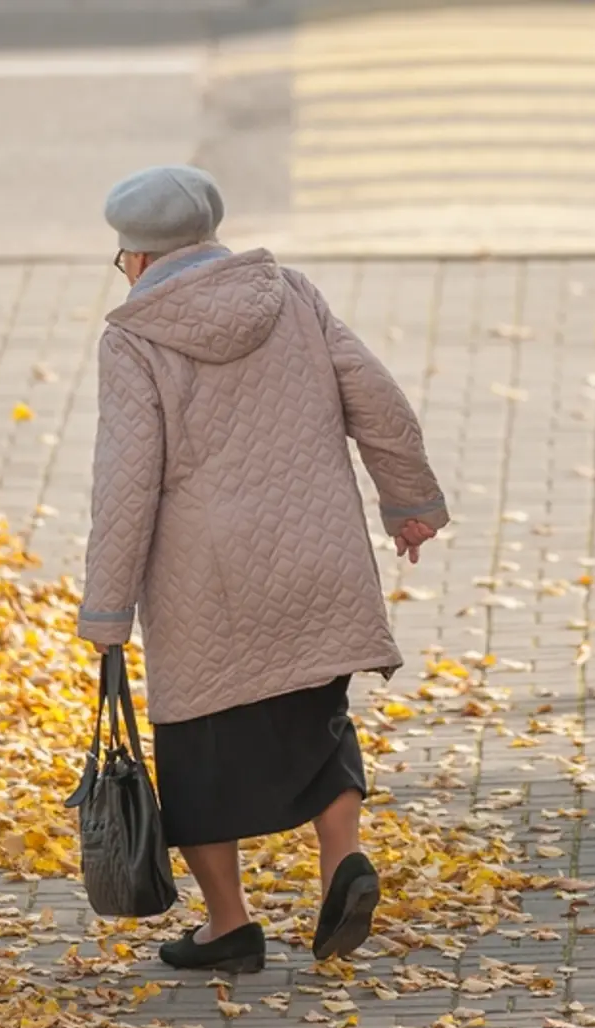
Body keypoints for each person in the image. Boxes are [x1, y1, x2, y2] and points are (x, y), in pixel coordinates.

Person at [75, 164, 449, 972]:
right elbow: (377, 400)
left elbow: (127, 482)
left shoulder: (134, 339)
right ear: (211, 236)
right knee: (319, 723)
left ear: (137, 258)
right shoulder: (292, 294)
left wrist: (105, 614)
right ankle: (340, 862)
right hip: (317, 558)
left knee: (200, 752)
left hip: (206, 585)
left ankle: (231, 926)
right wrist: (408, 502)